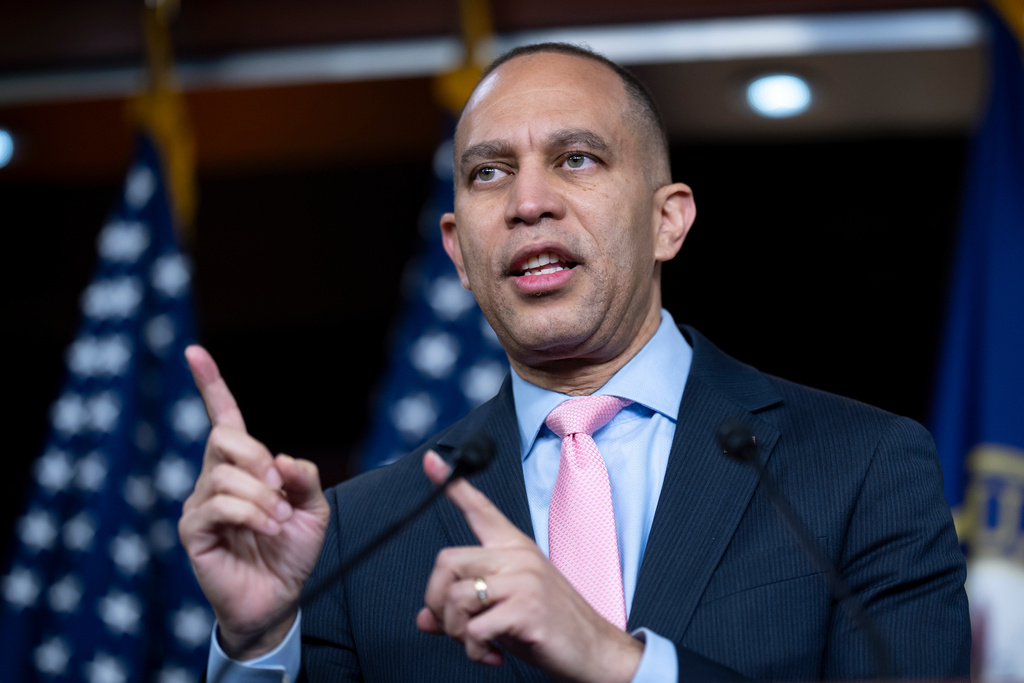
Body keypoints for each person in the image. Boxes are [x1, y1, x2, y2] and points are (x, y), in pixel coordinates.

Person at [179, 43, 970, 682]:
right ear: (458, 251)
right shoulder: (364, 531)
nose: (528, 201)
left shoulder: (861, 466)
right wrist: (258, 641)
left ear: (669, 221)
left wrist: (618, 663)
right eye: (489, 172)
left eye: (577, 158)